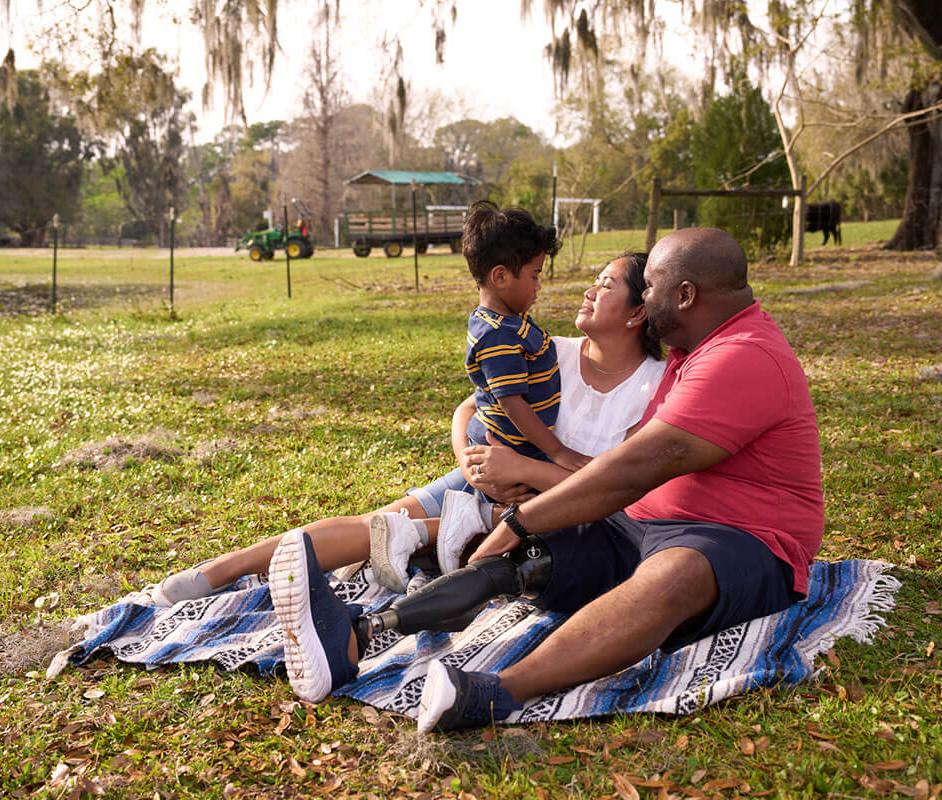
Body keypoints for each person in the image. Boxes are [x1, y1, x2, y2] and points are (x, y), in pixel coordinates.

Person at [272, 227, 825, 732]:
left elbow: (641, 464)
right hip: (645, 522)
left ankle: (494, 693)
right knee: (524, 560)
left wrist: (523, 515)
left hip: (743, 538)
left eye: (649, 286)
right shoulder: (690, 353)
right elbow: (623, 460)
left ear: (684, 295)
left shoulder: (743, 356)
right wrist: (529, 525)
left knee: (672, 574)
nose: (643, 300)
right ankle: (355, 634)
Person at [147, 253, 665, 619]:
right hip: (487, 477)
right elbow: (469, 407)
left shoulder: (652, 387)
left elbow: (620, 486)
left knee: (401, 534)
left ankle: (421, 546)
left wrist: (525, 470)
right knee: (378, 521)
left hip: (548, 512)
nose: (588, 290)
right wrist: (470, 462)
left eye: (606, 284)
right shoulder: (551, 350)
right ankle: (217, 573)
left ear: (639, 311)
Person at [366, 200, 591, 590]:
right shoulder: (498, 335)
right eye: (535, 276)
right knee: (542, 513)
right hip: (513, 443)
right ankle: (460, 526)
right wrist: (557, 452)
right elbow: (512, 402)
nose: (539, 286)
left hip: (506, 438)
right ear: (501, 276)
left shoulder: (507, 319)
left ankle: (441, 531)